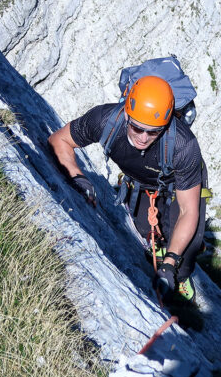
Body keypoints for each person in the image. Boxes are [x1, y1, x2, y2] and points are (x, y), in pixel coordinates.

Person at [49, 75, 206, 302]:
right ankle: (159, 251)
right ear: (127, 114)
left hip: (178, 185)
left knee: (186, 252)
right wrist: (77, 177)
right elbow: (59, 140)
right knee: (146, 234)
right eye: (137, 128)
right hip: (140, 182)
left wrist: (171, 264)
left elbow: (188, 211)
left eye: (153, 131)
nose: (143, 138)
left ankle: (181, 276)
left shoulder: (184, 146)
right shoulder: (105, 120)